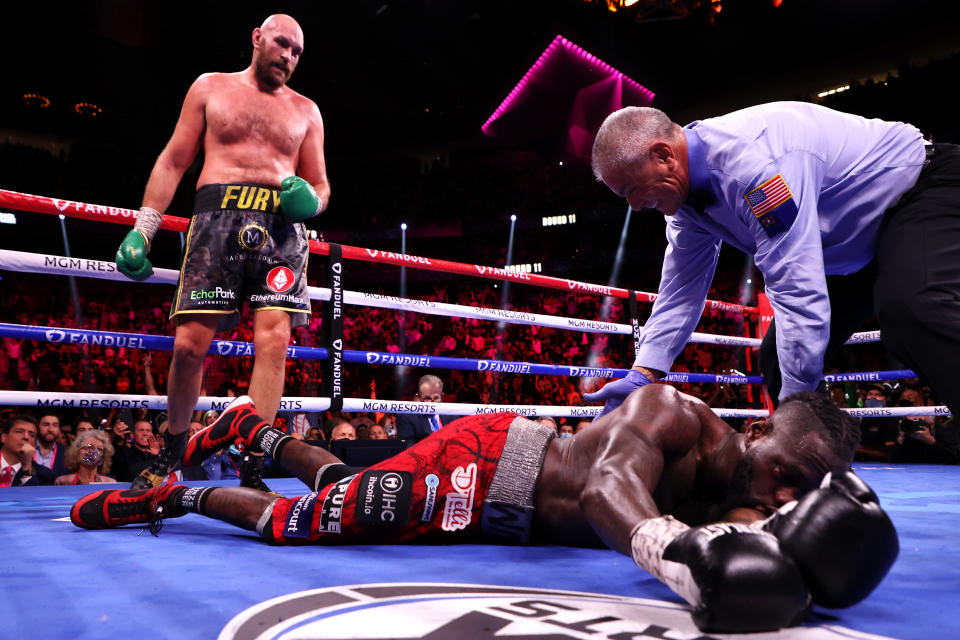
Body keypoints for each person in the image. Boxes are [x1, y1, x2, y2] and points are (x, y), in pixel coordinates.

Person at [72, 387, 897, 633]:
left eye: (802, 493)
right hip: (490, 463)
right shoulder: (670, 415)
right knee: (301, 522)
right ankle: (173, 494)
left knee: (339, 496)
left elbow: (761, 567)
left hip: (509, 520)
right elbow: (610, 491)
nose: (782, 498)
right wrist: (673, 550)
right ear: (762, 434)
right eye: (786, 473)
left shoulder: (759, 497)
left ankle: (254, 432)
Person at [587, 102, 960, 420]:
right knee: (780, 366)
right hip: (850, 247)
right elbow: (681, 290)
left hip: (919, 190)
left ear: (664, 155)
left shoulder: (755, 168)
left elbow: (796, 287)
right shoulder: (684, 202)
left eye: (631, 190)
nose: (633, 206)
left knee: (914, 308)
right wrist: (644, 373)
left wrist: (789, 417)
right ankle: (819, 475)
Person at [113, 13, 330, 491]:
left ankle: (253, 463)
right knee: (190, 347)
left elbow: (321, 184)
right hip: (217, 220)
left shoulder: (306, 111)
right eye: (281, 44)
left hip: (281, 230)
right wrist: (143, 229)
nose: (288, 57)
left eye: (297, 52)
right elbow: (173, 159)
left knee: (274, 343)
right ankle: (172, 451)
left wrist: (310, 201)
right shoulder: (210, 88)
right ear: (256, 38)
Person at [396, 375, 455, 445]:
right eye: (427, 398)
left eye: (436, 398)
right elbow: (407, 449)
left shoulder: (452, 415)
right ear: (419, 397)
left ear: (442, 396)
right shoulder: (407, 417)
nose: (432, 402)